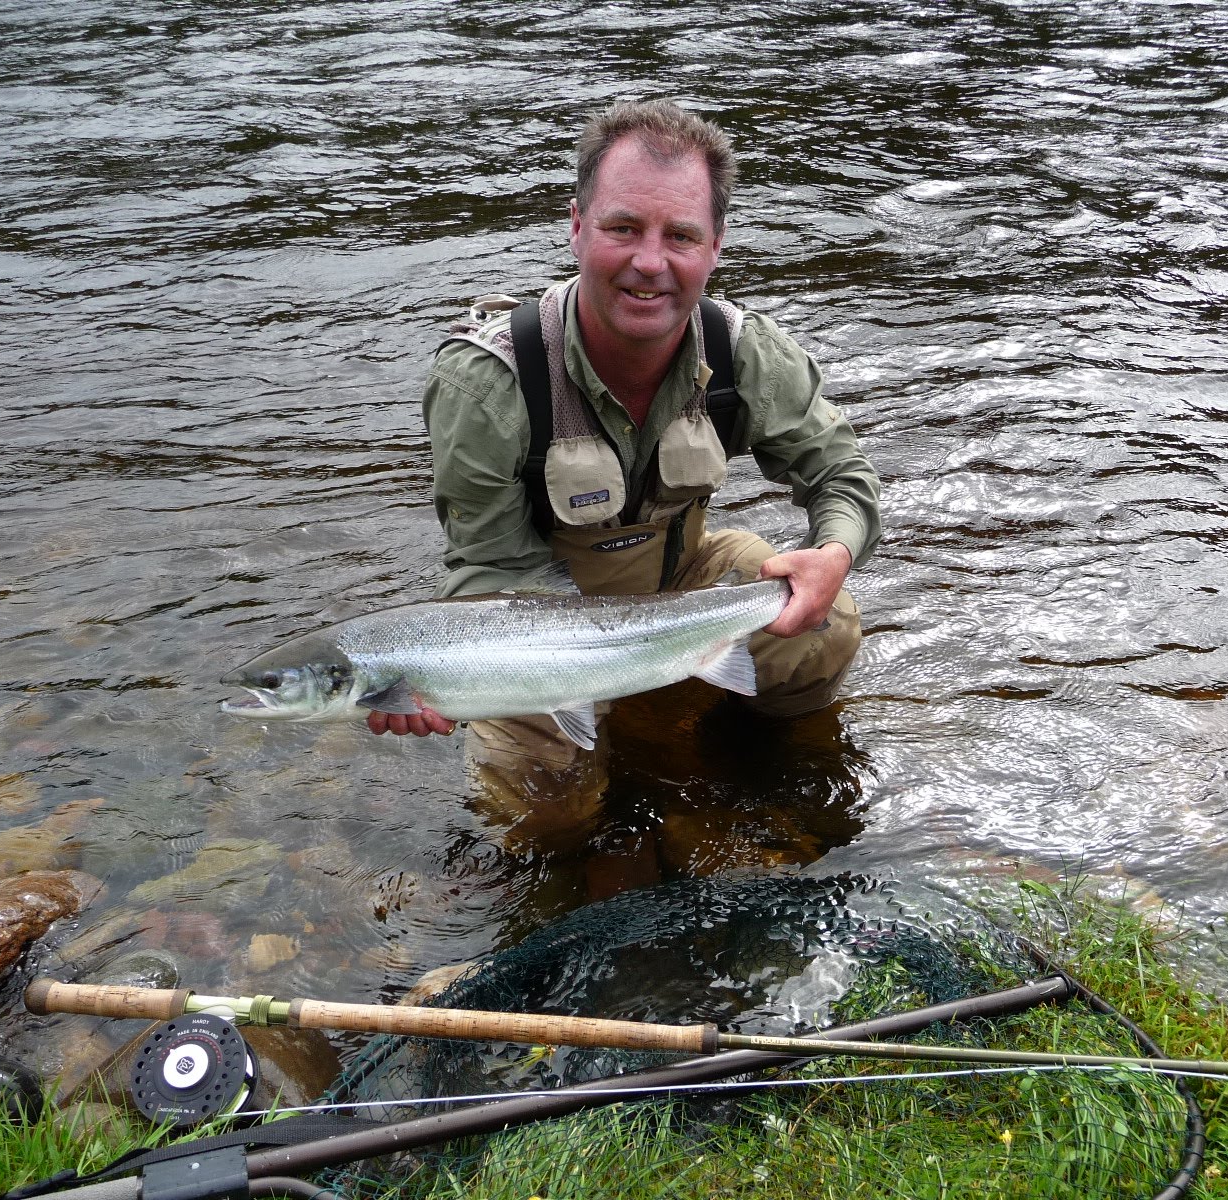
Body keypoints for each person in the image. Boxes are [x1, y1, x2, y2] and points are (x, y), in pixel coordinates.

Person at [372, 99, 881, 858]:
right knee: (545, 818)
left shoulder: (743, 351)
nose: (651, 261)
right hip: (535, 632)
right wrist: (447, 681)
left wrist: (832, 552)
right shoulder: (488, 380)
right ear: (577, 226)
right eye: (623, 228)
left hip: (685, 585)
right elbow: (489, 567)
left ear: (716, 246)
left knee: (826, 628)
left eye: (680, 235)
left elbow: (840, 473)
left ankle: (759, 760)